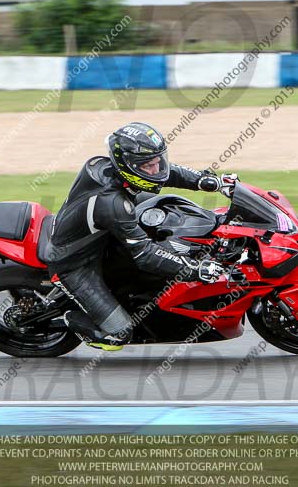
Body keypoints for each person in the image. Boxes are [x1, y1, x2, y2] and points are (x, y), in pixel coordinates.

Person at [46, 122, 236, 351]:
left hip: (101, 235)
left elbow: (165, 172)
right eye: (149, 165)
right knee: (118, 335)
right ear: (128, 164)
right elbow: (145, 255)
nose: (156, 169)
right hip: (75, 263)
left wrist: (207, 181)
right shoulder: (113, 204)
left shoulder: (104, 165)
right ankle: (70, 318)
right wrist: (195, 269)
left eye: (158, 161)